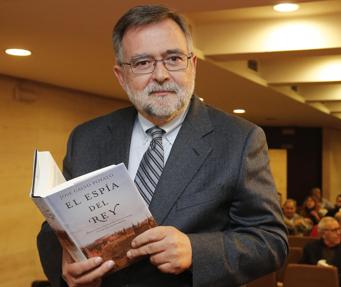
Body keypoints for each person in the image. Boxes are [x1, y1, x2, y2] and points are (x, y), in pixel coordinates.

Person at [36, 5, 287, 287]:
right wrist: (64, 266)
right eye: (142, 63)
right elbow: (56, 227)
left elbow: (270, 241)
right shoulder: (87, 138)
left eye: (173, 58)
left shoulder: (240, 139)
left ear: (192, 65)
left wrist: (196, 250)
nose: (161, 74)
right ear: (121, 76)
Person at [300, 217, 341, 287]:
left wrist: (331, 275)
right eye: (334, 230)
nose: (339, 233)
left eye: (339, 229)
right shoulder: (310, 247)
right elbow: (302, 270)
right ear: (323, 234)